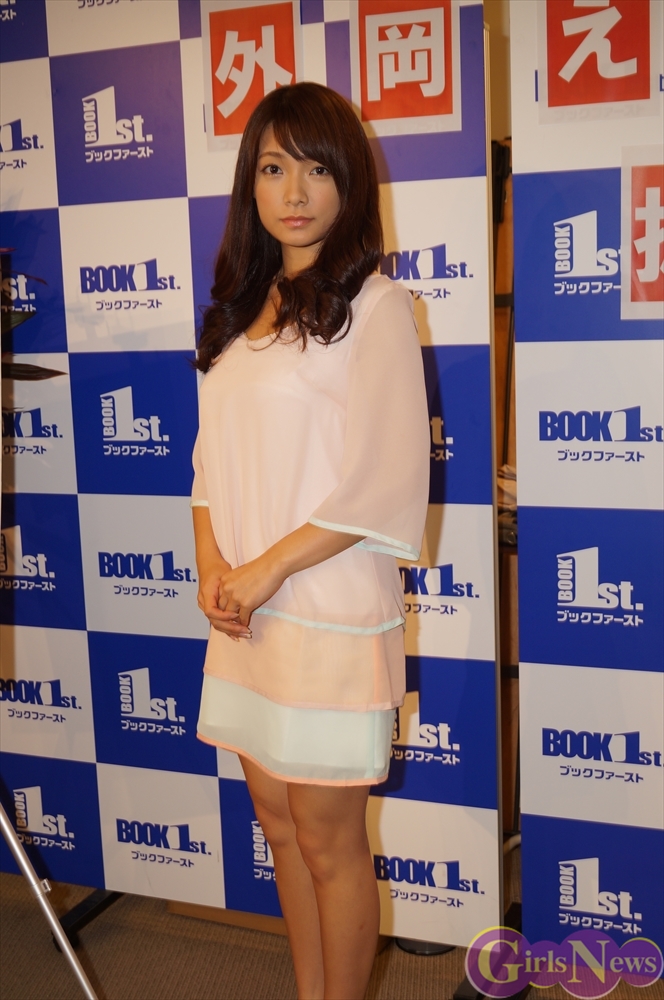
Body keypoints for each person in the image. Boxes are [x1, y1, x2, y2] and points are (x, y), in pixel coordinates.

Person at [191, 82, 430, 1000]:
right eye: (273, 168)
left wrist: (264, 570)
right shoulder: (237, 312)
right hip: (247, 618)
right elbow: (209, 465)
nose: (293, 192)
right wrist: (215, 568)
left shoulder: (377, 305)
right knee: (279, 827)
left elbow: (386, 479)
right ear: (250, 184)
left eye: (316, 170)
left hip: (326, 615)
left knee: (330, 841)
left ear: (348, 182)